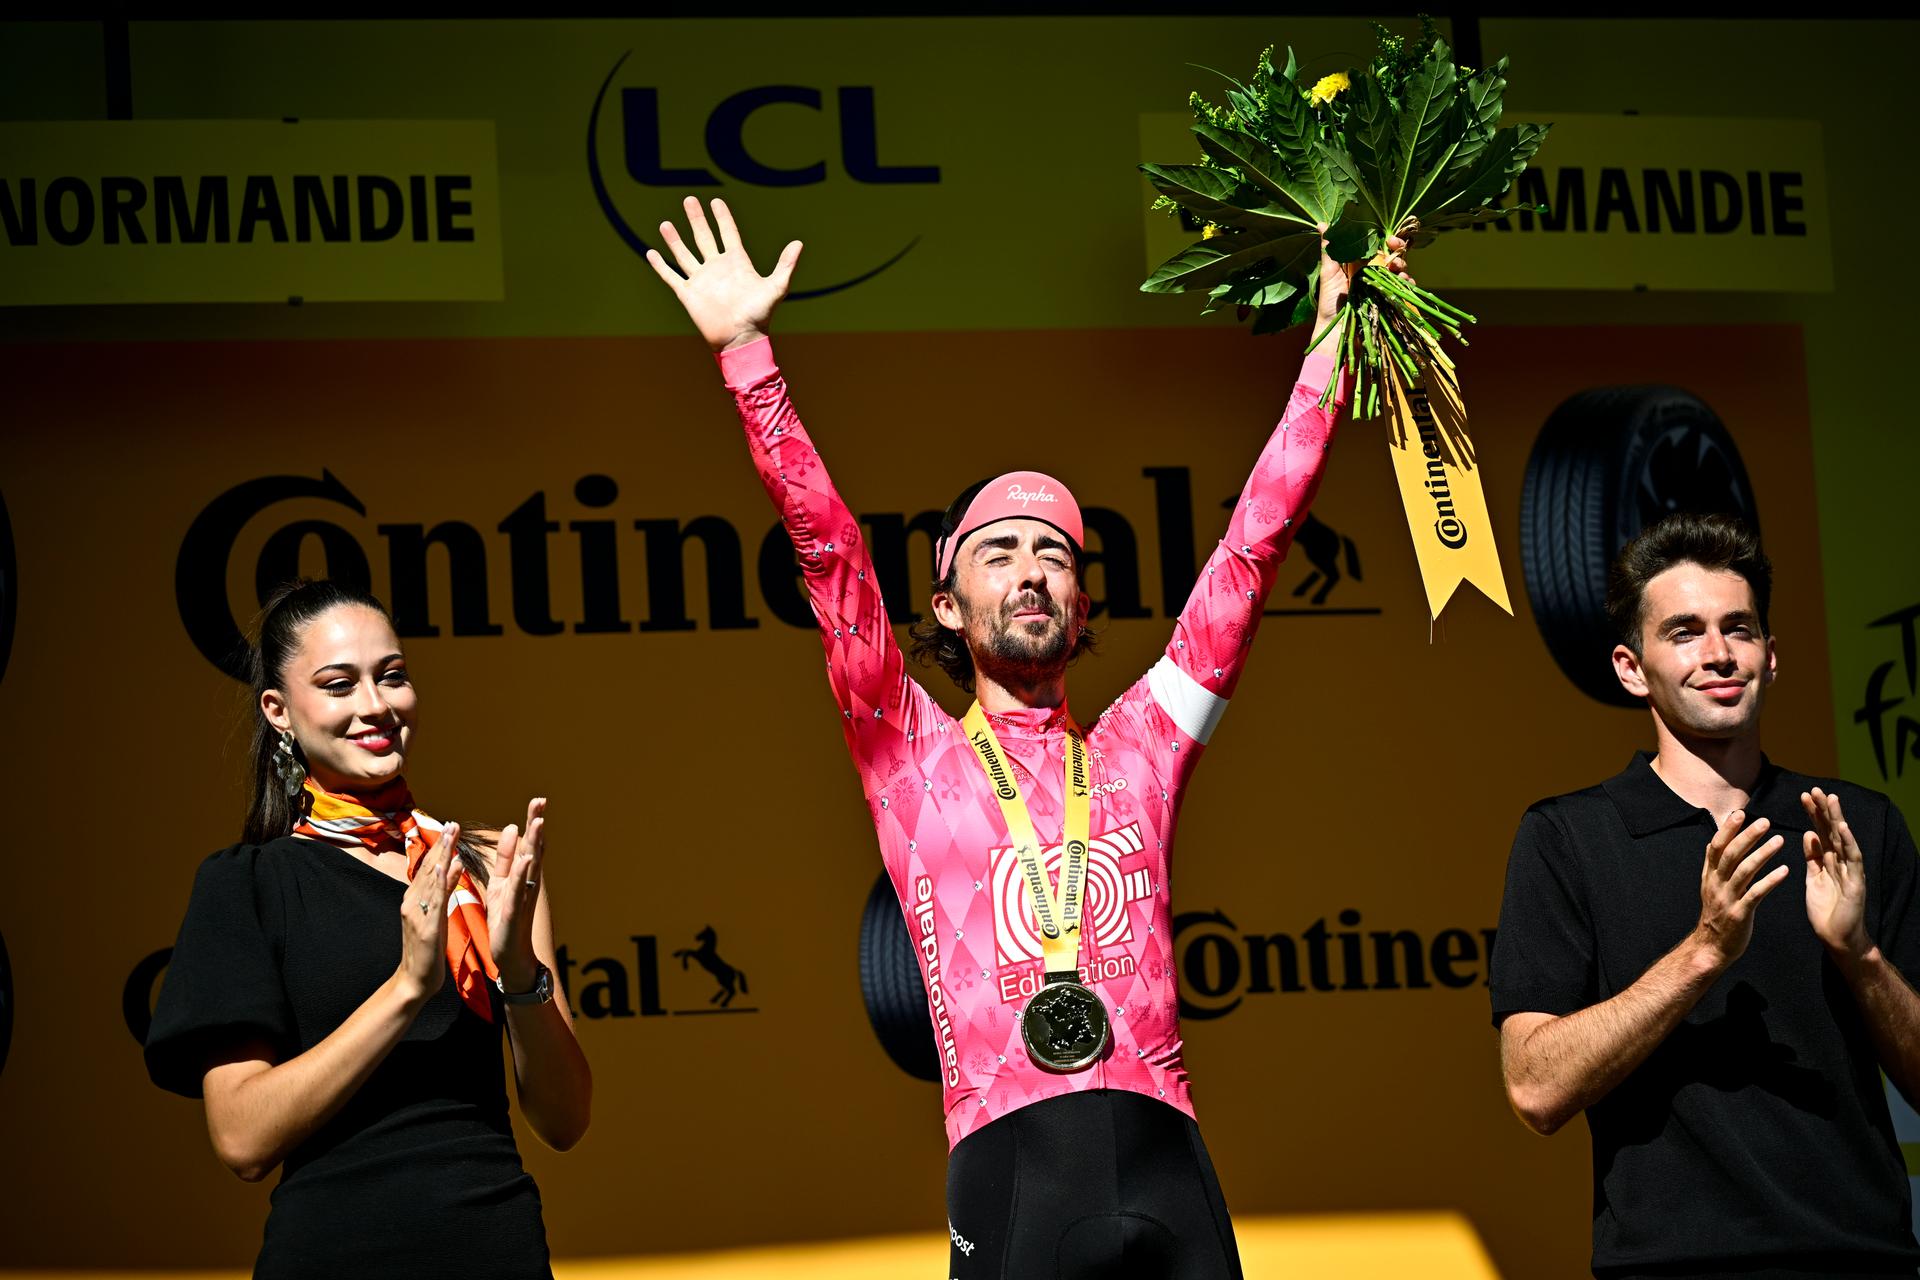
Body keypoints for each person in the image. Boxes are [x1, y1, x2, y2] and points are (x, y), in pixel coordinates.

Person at [648, 196, 1391, 1278]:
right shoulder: (904, 746)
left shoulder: (1145, 742)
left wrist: (1336, 332)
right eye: (998, 552)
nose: (1033, 569)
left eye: (1056, 554)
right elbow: (828, 553)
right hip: (1010, 1172)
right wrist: (747, 359)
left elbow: (1256, 538)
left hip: (1167, 1154)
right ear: (945, 602)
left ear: (1084, 609)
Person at [1490, 513, 1920, 1279]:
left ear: (1772, 654)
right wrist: (1705, 951)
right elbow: (1534, 1087)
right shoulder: (1571, 838)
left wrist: (1861, 956)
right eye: (1684, 632)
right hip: (1670, 1267)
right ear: (1631, 668)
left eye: (1740, 629)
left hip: (1864, 1262)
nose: (1719, 654)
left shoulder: (1858, 827)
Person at [145, 579, 591, 1279]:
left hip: (496, 1249)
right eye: (338, 684)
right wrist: (407, 989)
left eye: (392, 677)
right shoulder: (249, 885)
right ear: (280, 710)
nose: (375, 706)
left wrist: (519, 973)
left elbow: (564, 1122)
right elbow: (243, 1139)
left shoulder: (483, 865)